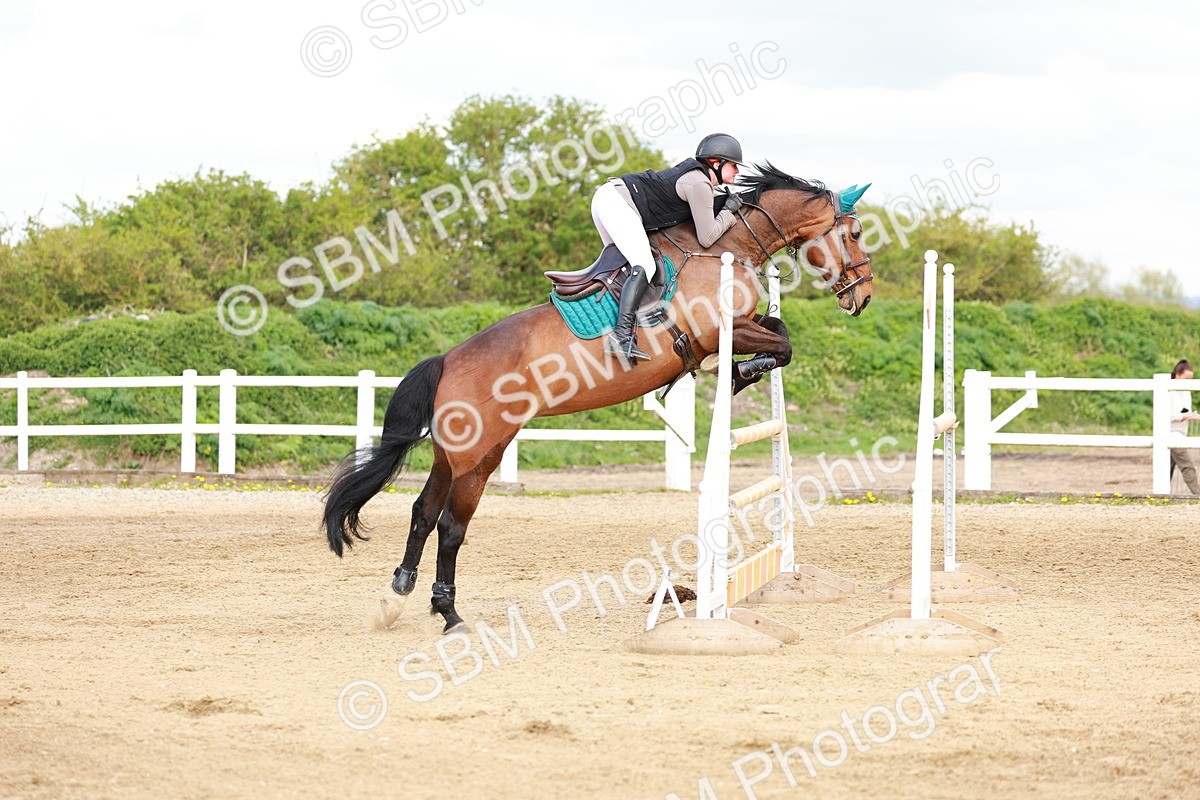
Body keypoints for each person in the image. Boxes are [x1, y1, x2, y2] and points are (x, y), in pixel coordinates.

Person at [591, 132, 746, 365]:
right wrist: (727, 212)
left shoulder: (698, 180)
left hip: (609, 198)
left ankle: (609, 327)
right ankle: (621, 337)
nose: (737, 171)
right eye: (733, 165)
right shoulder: (700, 182)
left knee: (625, 270)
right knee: (644, 266)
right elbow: (707, 237)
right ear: (716, 163)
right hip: (616, 202)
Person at [1168, 359, 1200, 494]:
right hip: (1172, 434)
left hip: (1181, 433)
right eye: (1186, 379)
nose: (1188, 383)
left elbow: (1184, 411)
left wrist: (1191, 415)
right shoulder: (1169, 392)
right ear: (1177, 375)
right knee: (1187, 465)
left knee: (1167, 467)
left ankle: (1161, 494)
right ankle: (1197, 494)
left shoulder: (1186, 392)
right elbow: (1167, 415)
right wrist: (1183, 416)